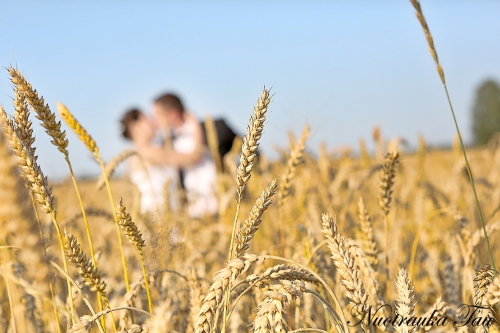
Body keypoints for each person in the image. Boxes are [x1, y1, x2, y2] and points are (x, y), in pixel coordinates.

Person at [138, 93, 218, 218]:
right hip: (192, 208)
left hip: (218, 201)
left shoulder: (210, 128)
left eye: (157, 115)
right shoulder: (163, 143)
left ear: (174, 114)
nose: (154, 120)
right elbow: (194, 156)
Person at [120, 109, 179, 214]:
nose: (152, 122)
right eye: (147, 119)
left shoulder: (136, 153)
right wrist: (194, 124)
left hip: (159, 215)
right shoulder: (147, 152)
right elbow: (193, 157)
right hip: (160, 217)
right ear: (135, 127)